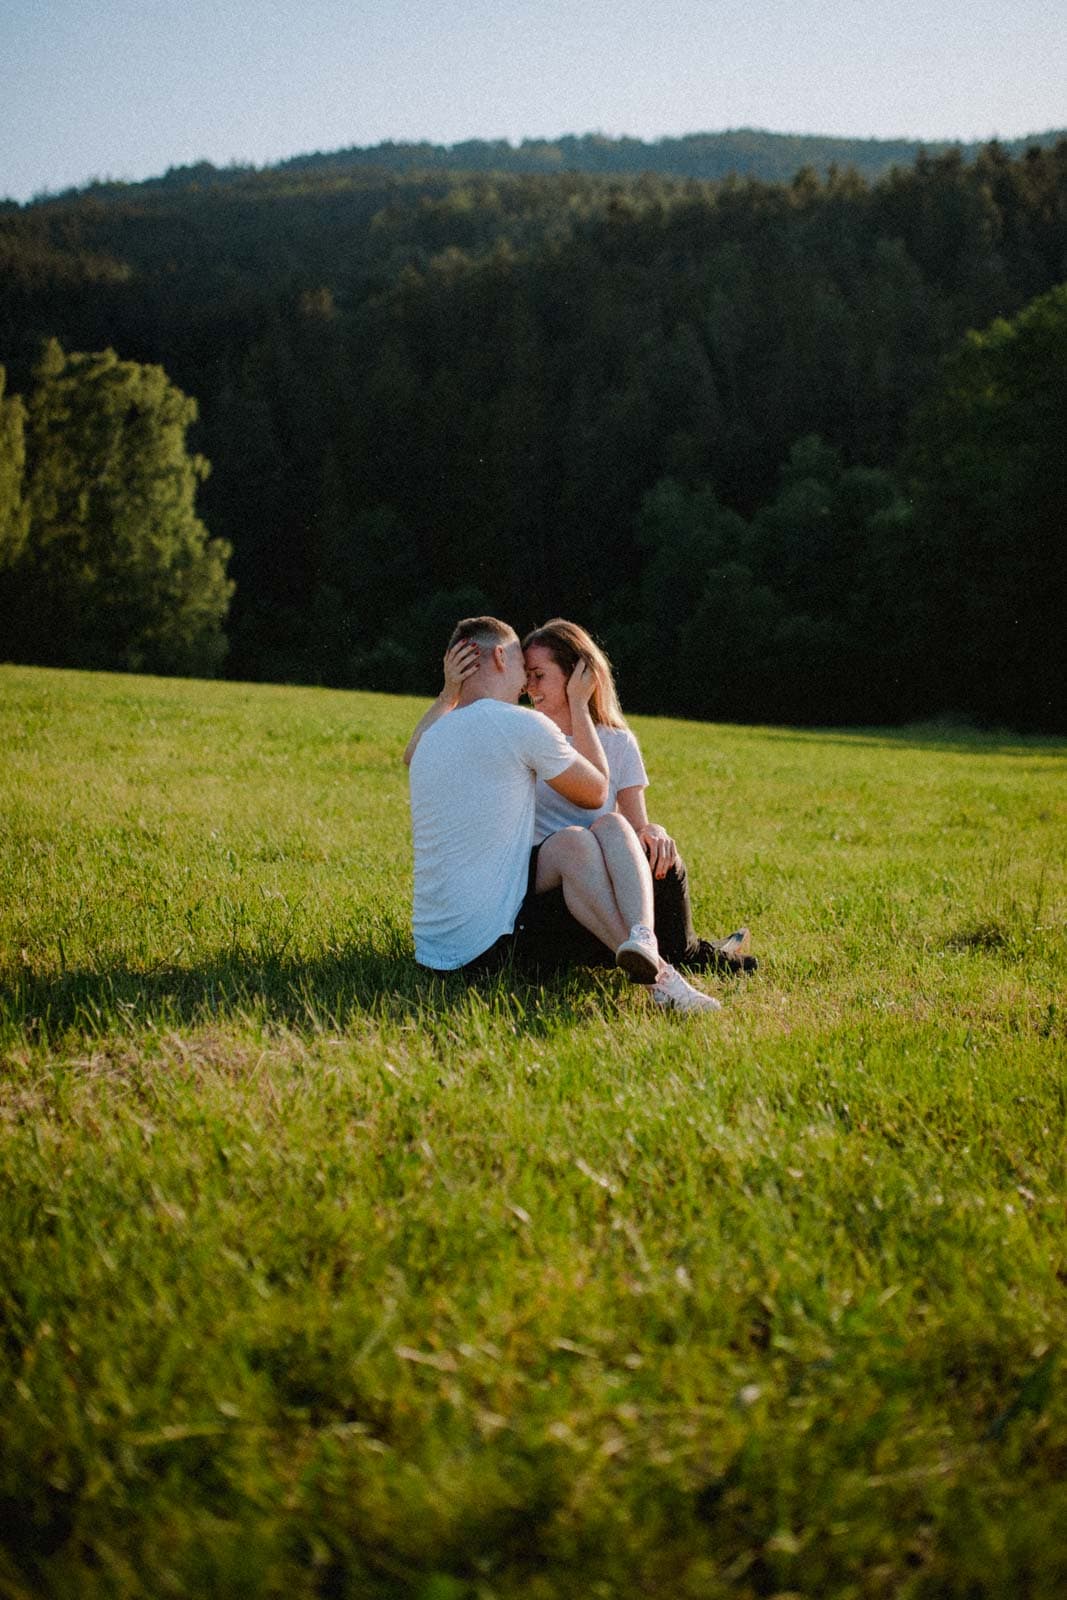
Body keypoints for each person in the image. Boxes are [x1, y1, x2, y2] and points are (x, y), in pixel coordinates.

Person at [405, 615, 722, 1013]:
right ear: (501, 658)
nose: (525, 684)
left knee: (601, 830)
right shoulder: (523, 726)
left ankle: (646, 943)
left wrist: (449, 694)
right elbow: (595, 792)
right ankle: (661, 977)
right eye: (525, 670)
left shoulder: (435, 736)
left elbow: (412, 756)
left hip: (434, 948)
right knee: (577, 842)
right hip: (497, 936)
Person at [523, 618, 756, 974]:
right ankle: (681, 958)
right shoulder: (525, 736)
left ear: (577, 675)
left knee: (650, 850)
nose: (529, 687)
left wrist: (654, 831)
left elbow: (635, 826)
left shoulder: (617, 741)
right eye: (526, 675)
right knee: (593, 844)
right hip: (553, 890)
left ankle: (670, 949)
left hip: (610, 882)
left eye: (538, 675)